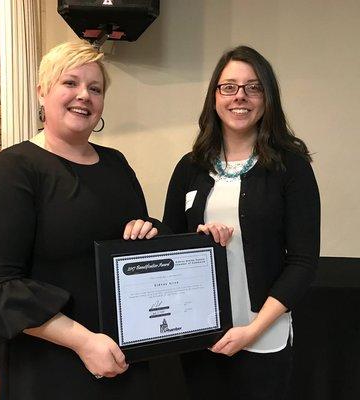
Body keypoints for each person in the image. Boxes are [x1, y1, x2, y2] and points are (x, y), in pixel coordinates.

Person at [0, 40, 166, 400]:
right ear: (42, 92)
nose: (84, 95)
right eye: (70, 83)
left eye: (95, 88)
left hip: (125, 358)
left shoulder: (116, 164)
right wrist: (85, 343)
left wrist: (149, 230)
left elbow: (128, 242)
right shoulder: (11, 171)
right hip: (51, 368)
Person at [163, 46, 320, 400]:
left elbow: (303, 262)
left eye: (253, 87)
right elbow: (171, 244)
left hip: (263, 332)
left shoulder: (291, 167)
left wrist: (252, 330)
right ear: (214, 97)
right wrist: (197, 240)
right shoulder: (190, 167)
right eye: (229, 87)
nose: (240, 97)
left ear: (267, 97)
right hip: (201, 328)